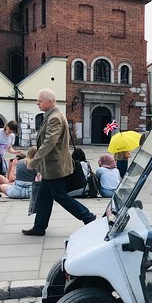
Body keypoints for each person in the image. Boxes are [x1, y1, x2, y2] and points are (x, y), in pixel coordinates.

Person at [22, 88, 95, 236]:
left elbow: (49, 142)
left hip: (54, 167)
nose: (37, 103)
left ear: (50, 102)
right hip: (51, 166)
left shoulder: (54, 118)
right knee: (44, 196)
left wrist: (34, 161)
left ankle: (88, 217)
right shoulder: (51, 116)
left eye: (40, 100)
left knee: (60, 196)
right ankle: (39, 227)